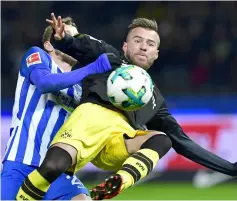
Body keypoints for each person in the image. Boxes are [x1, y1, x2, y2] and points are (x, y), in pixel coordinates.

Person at [17, 14, 237, 201]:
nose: (143, 46)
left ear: (156, 54)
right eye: (137, 40)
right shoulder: (109, 58)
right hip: (89, 121)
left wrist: (231, 168)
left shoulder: (154, 99)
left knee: (163, 139)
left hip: (117, 140)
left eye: (150, 44)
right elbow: (80, 44)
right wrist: (63, 37)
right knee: (53, 167)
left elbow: (184, 143)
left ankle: (120, 181)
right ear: (125, 46)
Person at [1, 16, 113, 200]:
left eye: (75, 40)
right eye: (65, 37)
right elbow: (45, 83)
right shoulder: (37, 56)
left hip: (57, 170)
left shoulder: (81, 89)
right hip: (20, 163)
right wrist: (93, 67)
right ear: (49, 45)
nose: (72, 43)